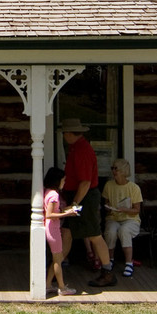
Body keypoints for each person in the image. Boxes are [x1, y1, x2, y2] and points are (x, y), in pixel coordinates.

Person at [59, 119, 117, 287]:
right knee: (66, 232)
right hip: (76, 196)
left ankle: (107, 272)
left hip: (84, 197)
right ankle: (56, 267)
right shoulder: (76, 148)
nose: (63, 136)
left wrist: (75, 203)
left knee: (94, 235)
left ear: (70, 134)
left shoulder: (82, 151)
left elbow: (85, 182)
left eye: (64, 133)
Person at [103, 158, 143, 278]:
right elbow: (106, 203)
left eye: (116, 169)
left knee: (124, 230)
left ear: (124, 171)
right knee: (110, 231)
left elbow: (137, 210)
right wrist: (108, 208)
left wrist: (125, 209)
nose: (114, 171)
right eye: (112, 168)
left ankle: (129, 263)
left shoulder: (134, 188)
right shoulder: (109, 185)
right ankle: (109, 260)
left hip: (130, 218)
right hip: (113, 217)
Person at [43, 166, 79, 295]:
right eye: (63, 180)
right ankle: (62, 287)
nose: (64, 182)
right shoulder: (54, 195)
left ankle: (47, 284)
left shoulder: (46, 191)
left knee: (56, 258)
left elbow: (54, 211)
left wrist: (66, 210)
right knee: (58, 259)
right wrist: (67, 215)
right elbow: (50, 215)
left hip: (51, 227)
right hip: (53, 229)